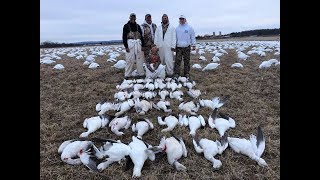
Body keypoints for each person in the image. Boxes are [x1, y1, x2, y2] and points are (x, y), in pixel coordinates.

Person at [122, 13, 145, 78]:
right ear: (129, 17)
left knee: (140, 59)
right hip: (130, 44)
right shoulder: (126, 26)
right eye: (132, 17)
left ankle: (141, 73)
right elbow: (124, 37)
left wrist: (142, 45)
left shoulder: (138, 26)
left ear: (135, 18)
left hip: (138, 43)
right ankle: (127, 75)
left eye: (134, 17)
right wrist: (126, 46)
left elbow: (141, 36)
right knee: (129, 59)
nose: (133, 18)